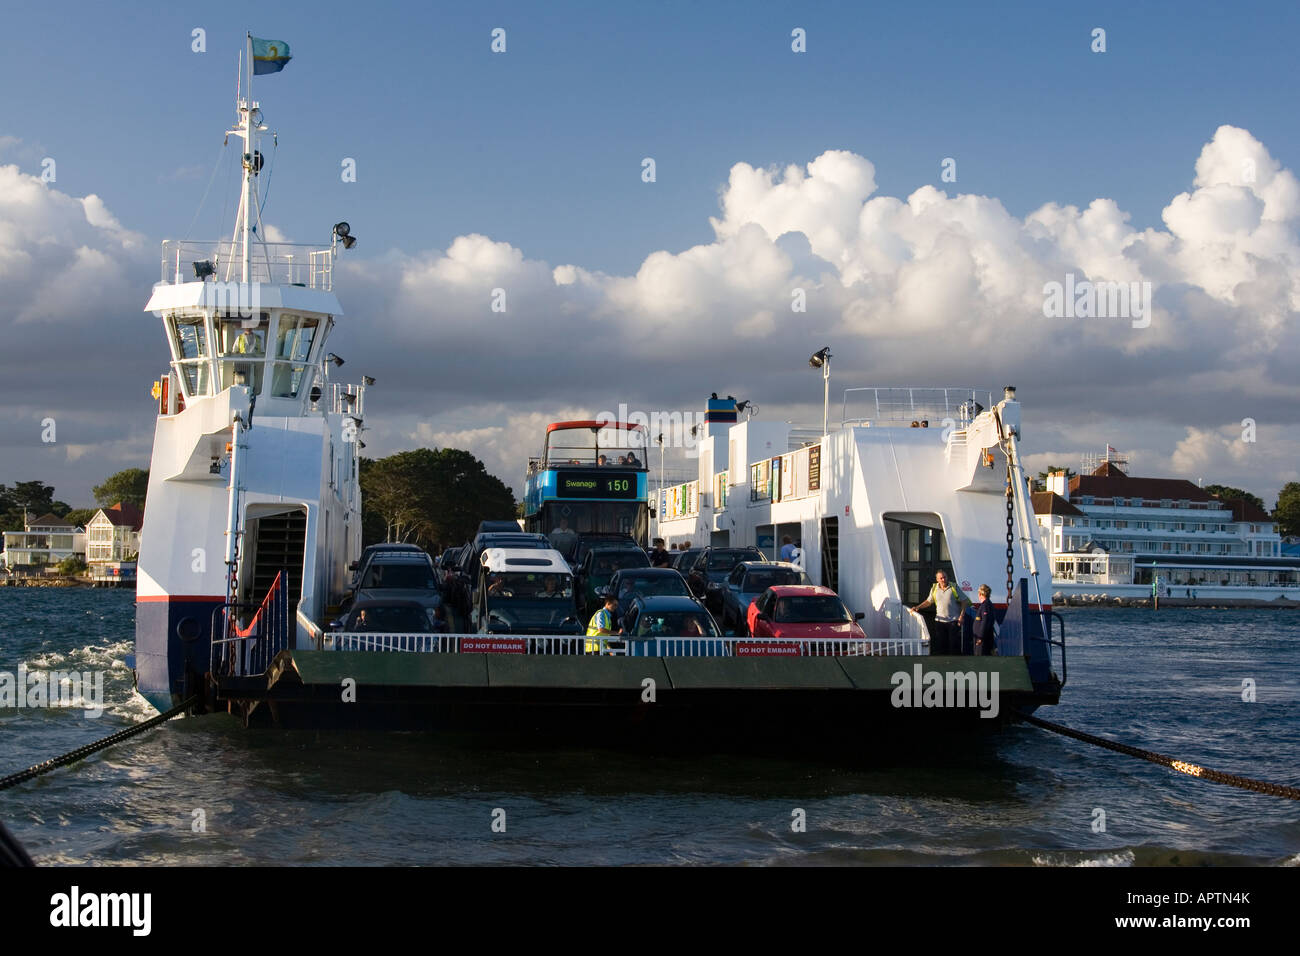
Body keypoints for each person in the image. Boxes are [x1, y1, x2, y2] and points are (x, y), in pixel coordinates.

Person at [912, 570, 970, 655]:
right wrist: (918, 607)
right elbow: (929, 601)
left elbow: (964, 601)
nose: (943, 579)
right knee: (941, 645)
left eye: (945, 577)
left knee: (954, 645)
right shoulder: (934, 588)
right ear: (937, 579)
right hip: (939, 622)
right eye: (941, 578)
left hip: (953, 621)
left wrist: (961, 616)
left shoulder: (954, 587)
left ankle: (956, 664)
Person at [971, 585, 996, 656]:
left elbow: (985, 621)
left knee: (980, 656)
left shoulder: (985, 605)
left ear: (980, 594)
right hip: (984, 637)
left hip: (983, 639)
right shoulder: (987, 604)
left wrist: (980, 637)